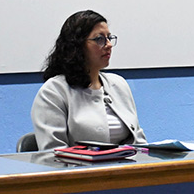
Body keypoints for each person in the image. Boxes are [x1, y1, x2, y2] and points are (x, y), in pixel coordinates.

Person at [31, 10, 146, 150]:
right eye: (99, 39)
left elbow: (139, 142)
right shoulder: (53, 92)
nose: (109, 44)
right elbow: (52, 155)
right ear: (77, 45)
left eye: (109, 38)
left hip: (125, 168)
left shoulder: (119, 84)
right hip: (80, 170)